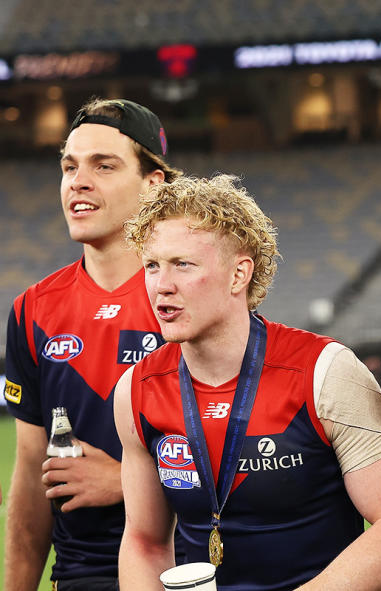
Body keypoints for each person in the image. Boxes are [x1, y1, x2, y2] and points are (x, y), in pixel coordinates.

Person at [114, 175, 381, 590]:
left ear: (238, 275)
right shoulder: (137, 389)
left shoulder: (325, 372)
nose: (162, 285)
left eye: (183, 264)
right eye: (152, 266)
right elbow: (144, 540)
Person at [4, 98, 180, 591]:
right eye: (69, 166)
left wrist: (126, 480)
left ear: (153, 186)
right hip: (80, 577)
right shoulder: (32, 310)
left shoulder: (195, 299)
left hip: (183, 572)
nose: (78, 181)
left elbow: (242, 462)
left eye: (104, 166)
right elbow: (30, 477)